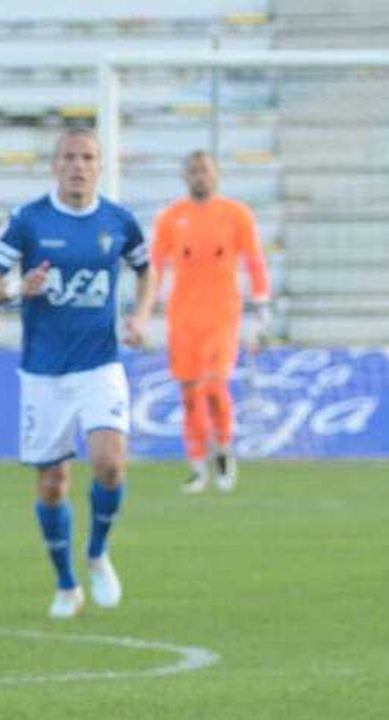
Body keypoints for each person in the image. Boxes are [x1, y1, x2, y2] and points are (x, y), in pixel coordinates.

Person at [0, 126, 152, 620]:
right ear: (55, 165)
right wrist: (19, 287)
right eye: (70, 157)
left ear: (100, 166)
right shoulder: (29, 220)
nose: (79, 165)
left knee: (110, 462)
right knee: (53, 483)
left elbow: (146, 268)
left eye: (88, 157)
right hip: (44, 372)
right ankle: (65, 581)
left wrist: (139, 316)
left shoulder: (118, 221)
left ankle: (97, 552)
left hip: (100, 362)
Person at [128, 150, 271, 493]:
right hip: (184, 317)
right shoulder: (171, 218)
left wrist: (261, 307)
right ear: (185, 176)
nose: (199, 176)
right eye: (193, 171)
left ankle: (222, 450)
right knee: (190, 392)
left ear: (216, 174)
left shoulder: (236, 214)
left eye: (204, 170)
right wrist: (144, 314)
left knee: (214, 386)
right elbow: (155, 267)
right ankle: (196, 465)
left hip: (223, 314)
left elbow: (254, 261)